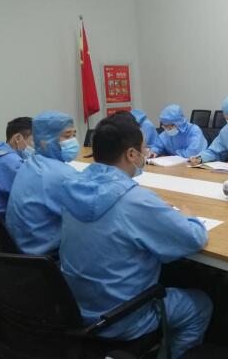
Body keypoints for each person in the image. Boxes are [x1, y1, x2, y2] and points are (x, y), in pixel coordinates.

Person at [59, 114, 212, 358]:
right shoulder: (136, 200)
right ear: (131, 154)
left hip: (76, 309)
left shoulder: (73, 187)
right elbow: (193, 239)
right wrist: (188, 217)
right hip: (122, 318)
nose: (146, 153)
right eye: (144, 148)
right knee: (200, 304)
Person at [5, 111, 79, 255]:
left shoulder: (29, 163)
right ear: (46, 141)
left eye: (74, 135)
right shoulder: (64, 175)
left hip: (21, 249)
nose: (73, 141)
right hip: (48, 254)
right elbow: (89, 213)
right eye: (67, 136)